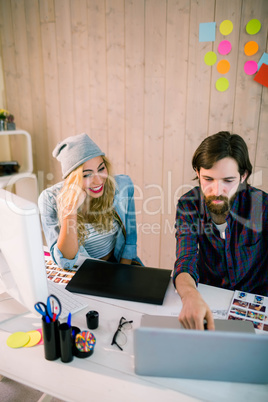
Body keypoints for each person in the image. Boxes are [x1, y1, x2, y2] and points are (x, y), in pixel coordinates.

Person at [173, 131, 268, 330]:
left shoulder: (263, 205)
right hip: (210, 301)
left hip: (258, 304)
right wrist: (190, 296)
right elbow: (185, 259)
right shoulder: (189, 204)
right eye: (208, 179)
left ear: (243, 176)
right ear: (198, 173)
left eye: (228, 181)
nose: (217, 191)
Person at [39, 133, 142, 269]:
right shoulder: (49, 199)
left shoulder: (122, 185)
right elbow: (65, 262)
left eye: (101, 168)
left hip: (119, 265)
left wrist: (122, 274)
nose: (99, 181)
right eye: (87, 174)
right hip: (82, 272)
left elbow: (130, 240)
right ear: (72, 179)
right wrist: (70, 210)